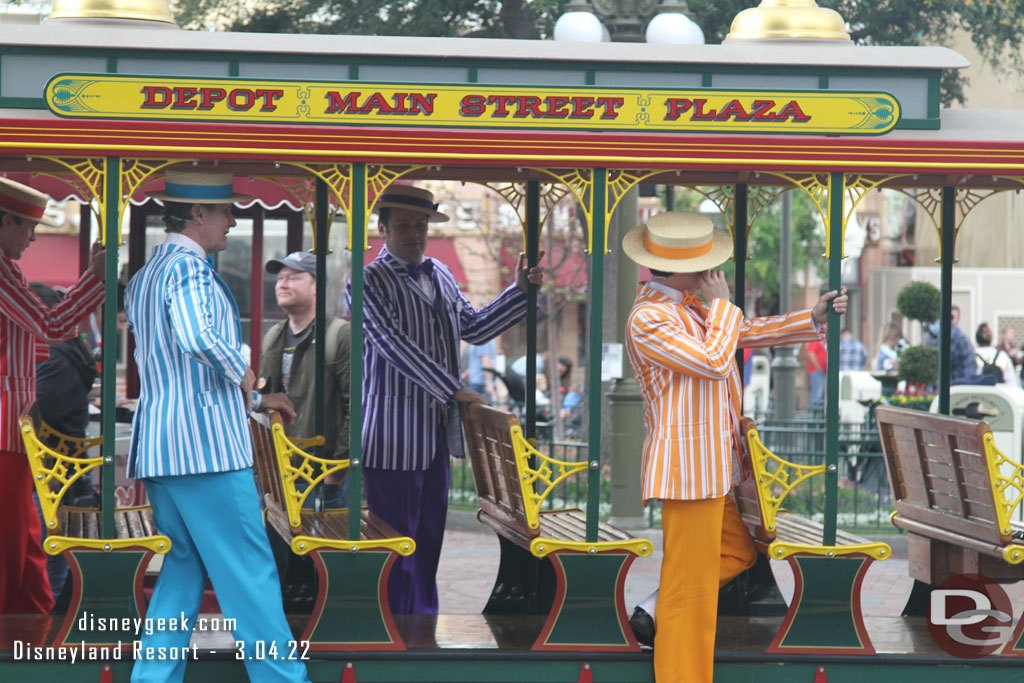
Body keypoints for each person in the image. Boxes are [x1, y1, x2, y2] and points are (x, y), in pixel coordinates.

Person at [621, 211, 846, 683]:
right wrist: (723, 304)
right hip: (689, 471)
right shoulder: (650, 316)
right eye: (706, 263)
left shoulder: (687, 308)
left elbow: (741, 335)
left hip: (713, 468)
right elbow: (712, 360)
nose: (712, 272)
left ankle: (651, 607)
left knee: (737, 555)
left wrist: (811, 318)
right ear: (685, 267)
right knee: (690, 597)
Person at [124, 169, 308, 683]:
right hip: (205, 451)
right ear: (198, 213)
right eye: (226, 210)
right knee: (250, 574)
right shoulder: (190, 270)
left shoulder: (144, 275)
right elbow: (198, 336)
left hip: (161, 449)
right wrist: (249, 378)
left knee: (182, 570)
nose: (233, 219)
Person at [351, 184, 543, 615]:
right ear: (382, 229)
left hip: (438, 433)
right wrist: (454, 388)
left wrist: (519, 293)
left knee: (431, 537)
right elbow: (391, 344)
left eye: (421, 226)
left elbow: (473, 327)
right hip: (393, 433)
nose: (414, 234)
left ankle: (423, 621)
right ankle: (395, 624)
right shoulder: (366, 280)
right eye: (404, 226)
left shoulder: (439, 271)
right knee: (397, 537)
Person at [0, 178, 106, 614]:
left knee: (23, 533)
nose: (33, 237)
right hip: (5, 424)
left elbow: (44, 335)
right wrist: (95, 280)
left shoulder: (10, 271)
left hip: (14, 422)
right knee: (11, 536)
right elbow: (50, 327)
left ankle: (33, 619)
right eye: (28, 226)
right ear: (5, 222)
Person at [261, 250, 350, 508]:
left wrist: (336, 471)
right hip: (277, 474)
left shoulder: (339, 335)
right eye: (280, 278)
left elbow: (357, 406)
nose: (283, 284)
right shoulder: (273, 336)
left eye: (294, 277)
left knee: (317, 548)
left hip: (319, 475)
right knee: (276, 548)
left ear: (316, 287)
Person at [30, 282, 99, 603]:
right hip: (54, 476)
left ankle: (45, 635)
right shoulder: (59, 355)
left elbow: (29, 413)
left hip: (51, 478)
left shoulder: (55, 360)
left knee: (48, 563)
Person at [975, 322, 1019, 388]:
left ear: (977, 339)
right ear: (991, 338)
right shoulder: (1002, 356)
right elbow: (1012, 382)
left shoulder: (971, 356)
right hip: (998, 395)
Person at [806, 339, 827, 409]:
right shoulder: (817, 339)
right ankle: (813, 414)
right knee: (817, 395)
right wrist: (818, 367)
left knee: (821, 395)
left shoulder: (825, 340)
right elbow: (810, 353)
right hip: (817, 371)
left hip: (823, 371)